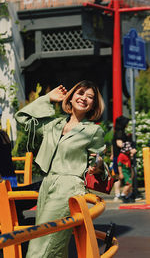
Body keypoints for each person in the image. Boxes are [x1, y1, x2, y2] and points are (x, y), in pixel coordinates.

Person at [15, 80, 107, 258]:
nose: (84, 99)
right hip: (47, 184)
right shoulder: (53, 124)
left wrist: (99, 166)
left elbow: (103, 162)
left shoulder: (93, 132)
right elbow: (22, 118)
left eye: (90, 97)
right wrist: (48, 98)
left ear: (93, 105)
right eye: (80, 93)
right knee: (53, 244)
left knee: (41, 246)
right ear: (71, 97)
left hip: (69, 186)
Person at [111, 115, 130, 201]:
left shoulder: (116, 132)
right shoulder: (120, 133)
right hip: (121, 157)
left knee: (117, 176)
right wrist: (129, 147)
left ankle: (118, 194)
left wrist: (112, 154)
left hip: (116, 156)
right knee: (123, 175)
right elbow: (119, 144)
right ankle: (121, 194)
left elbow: (113, 145)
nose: (127, 124)